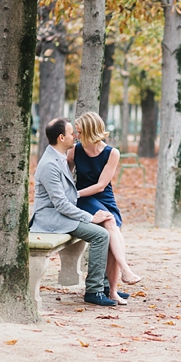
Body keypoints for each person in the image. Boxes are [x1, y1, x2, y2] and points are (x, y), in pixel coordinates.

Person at [30, 118, 117, 307]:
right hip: (51, 218)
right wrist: (90, 217)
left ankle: (104, 287)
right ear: (62, 138)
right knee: (101, 235)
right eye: (72, 133)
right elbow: (60, 204)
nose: (76, 136)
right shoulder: (49, 165)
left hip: (63, 214)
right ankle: (94, 290)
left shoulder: (60, 156)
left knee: (106, 229)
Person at [68, 111, 141, 306]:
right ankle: (125, 271)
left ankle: (112, 290)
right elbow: (65, 180)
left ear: (90, 131)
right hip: (83, 198)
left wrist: (75, 193)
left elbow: (101, 185)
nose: (76, 135)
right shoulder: (74, 151)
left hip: (104, 197)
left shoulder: (112, 153)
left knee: (113, 233)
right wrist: (72, 196)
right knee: (110, 222)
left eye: (80, 132)